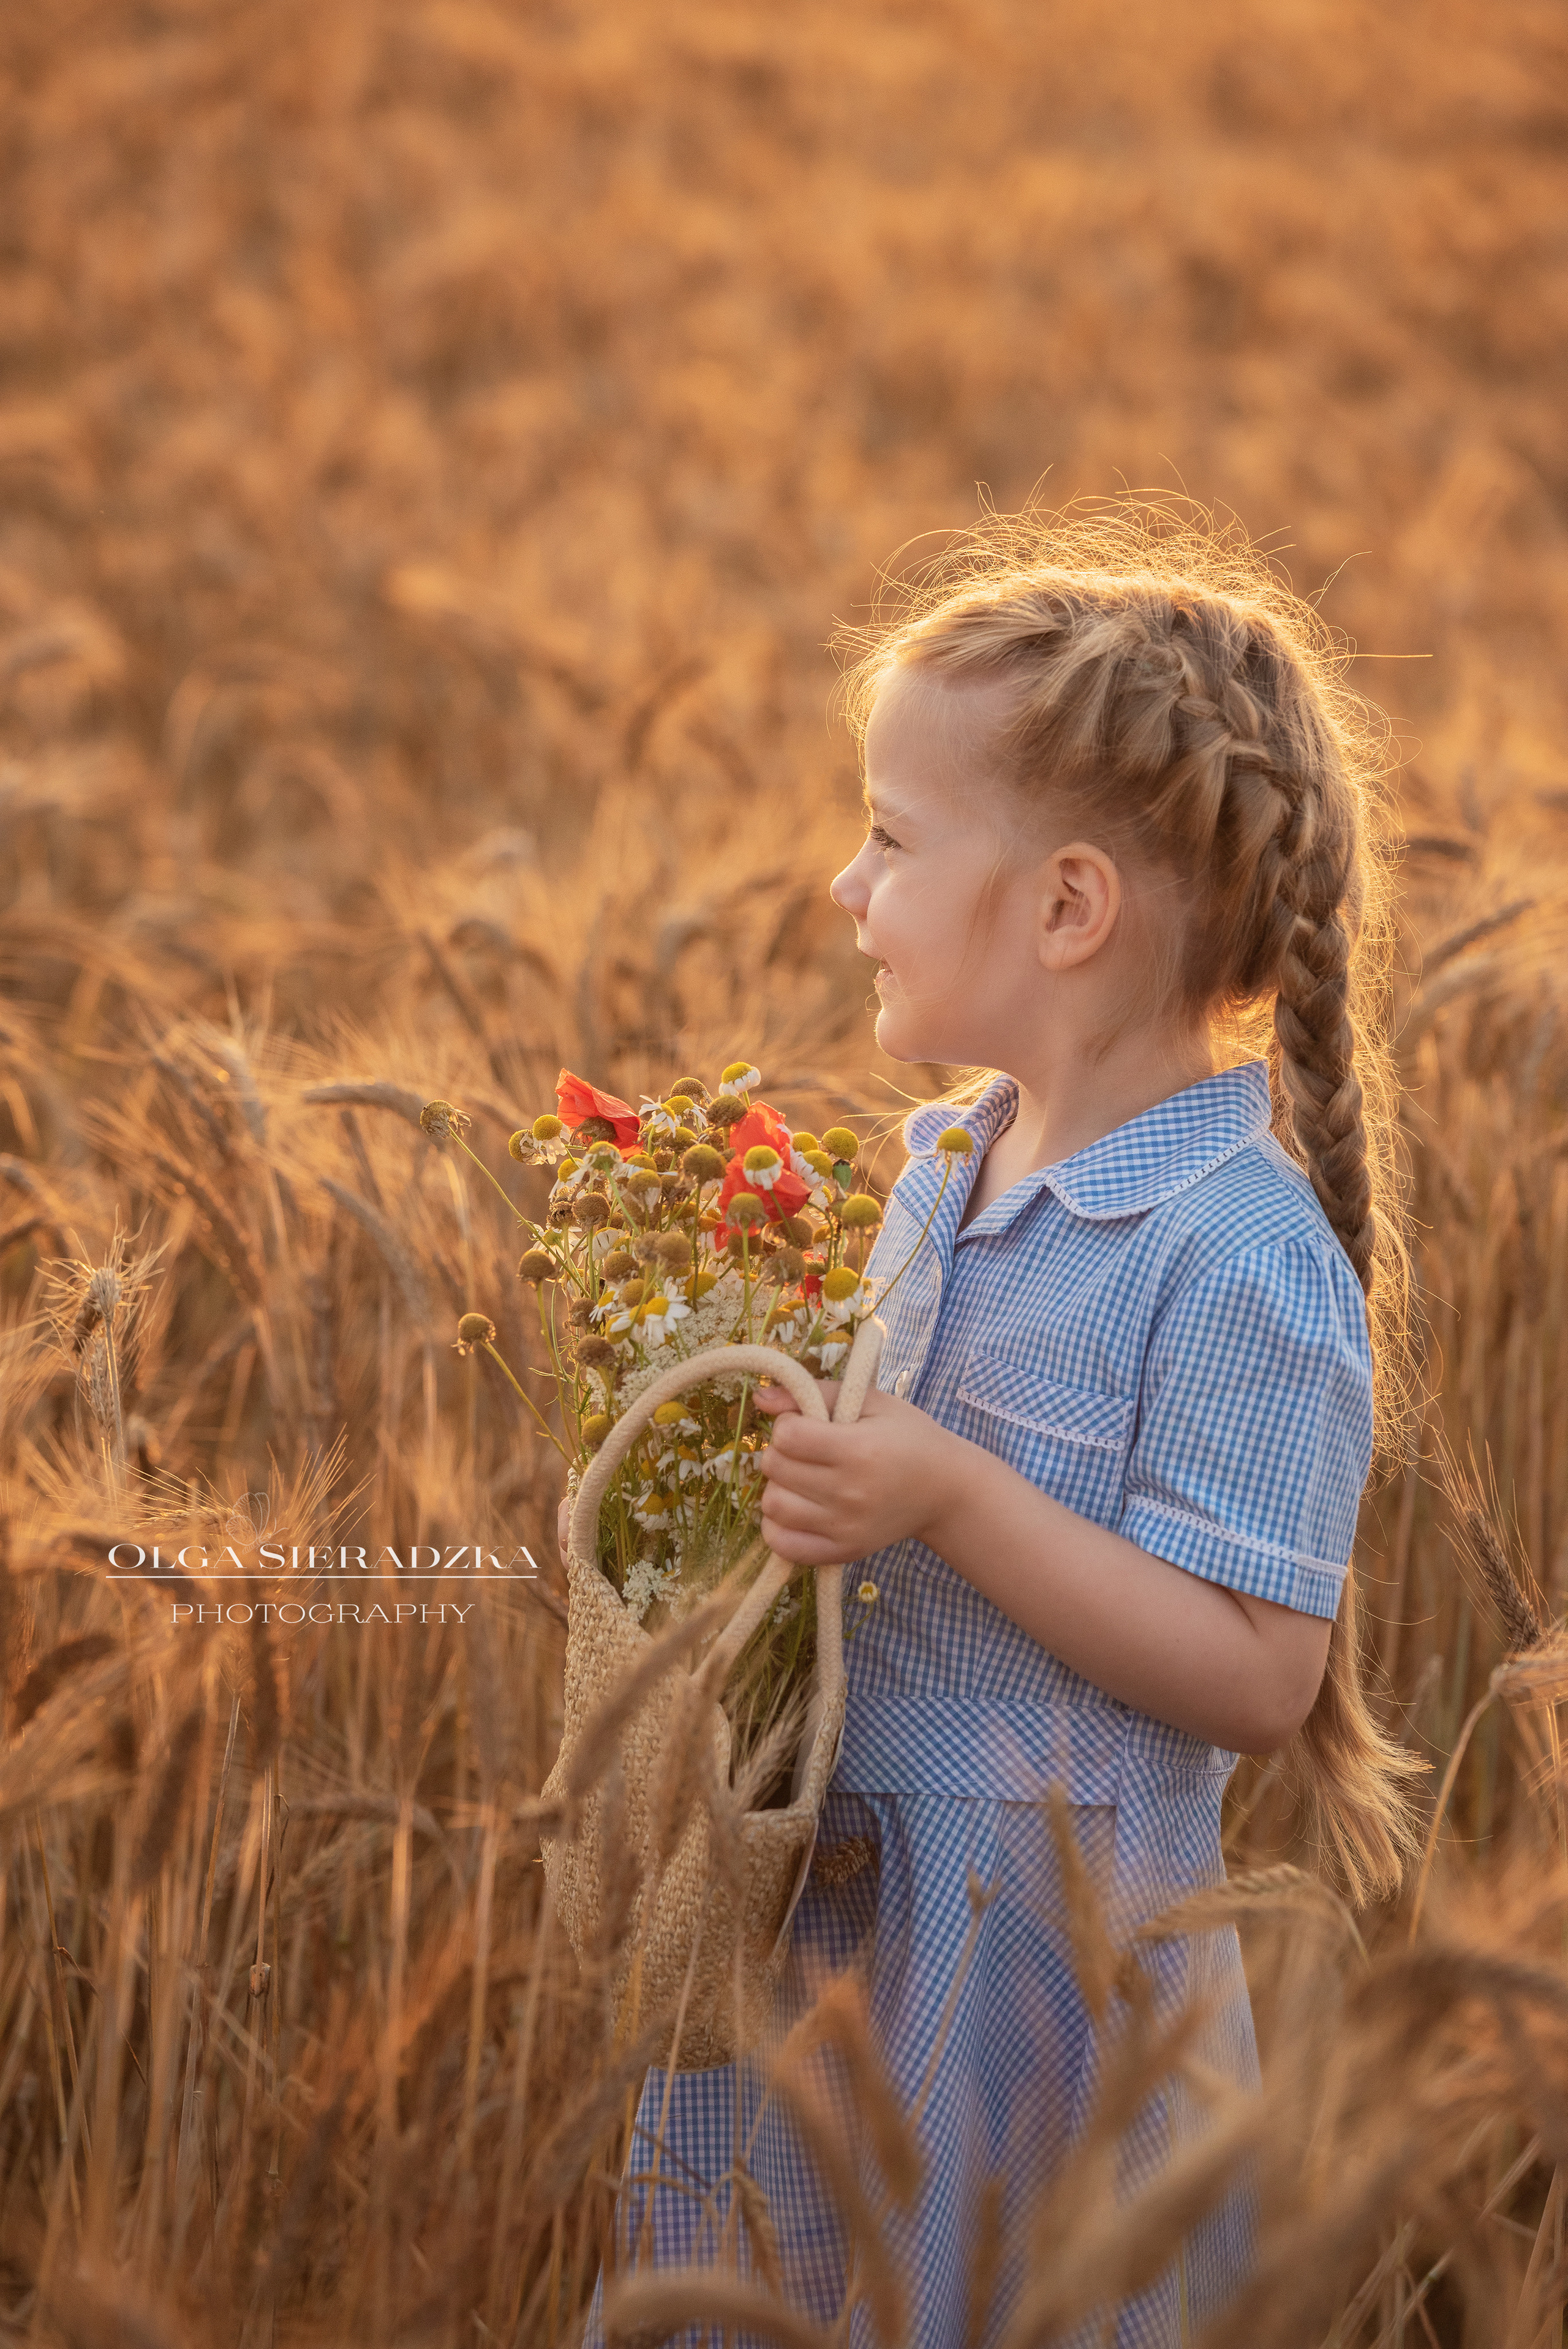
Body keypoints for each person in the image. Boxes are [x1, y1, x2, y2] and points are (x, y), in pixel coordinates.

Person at [584, 504, 1423, 2347]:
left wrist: (947, 1493)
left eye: (887, 834)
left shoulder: (1237, 1256)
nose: (839, 884)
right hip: (847, 1936)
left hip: (1042, 1984)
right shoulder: (945, 1168)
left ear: (1065, 907)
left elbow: (1262, 1673)